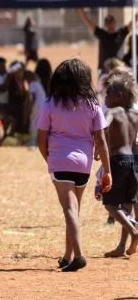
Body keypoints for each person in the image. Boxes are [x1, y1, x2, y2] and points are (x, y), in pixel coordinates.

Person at [35, 58, 111, 272]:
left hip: (60, 160)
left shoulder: (50, 104)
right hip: (84, 163)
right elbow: (101, 141)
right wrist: (107, 170)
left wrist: (49, 157)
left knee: (69, 209)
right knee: (74, 210)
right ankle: (68, 255)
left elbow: (41, 139)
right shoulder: (93, 105)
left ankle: (78, 255)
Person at [101, 72, 138, 258]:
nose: (105, 98)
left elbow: (104, 126)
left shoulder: (114, 112)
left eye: (108, 94)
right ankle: (122, 247)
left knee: (109, 204)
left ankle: (133, 229)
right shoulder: (134, 114)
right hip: (132, 161)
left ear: (119, 96)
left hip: (117, 161)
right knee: (127, 204)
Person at [24, 71, 46, 147]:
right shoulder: (37, 84)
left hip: (37, 105)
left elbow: (33, 97)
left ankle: (32, 141)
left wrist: (30, 108)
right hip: (43, 105)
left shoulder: (33, 84)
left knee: (33, 122)